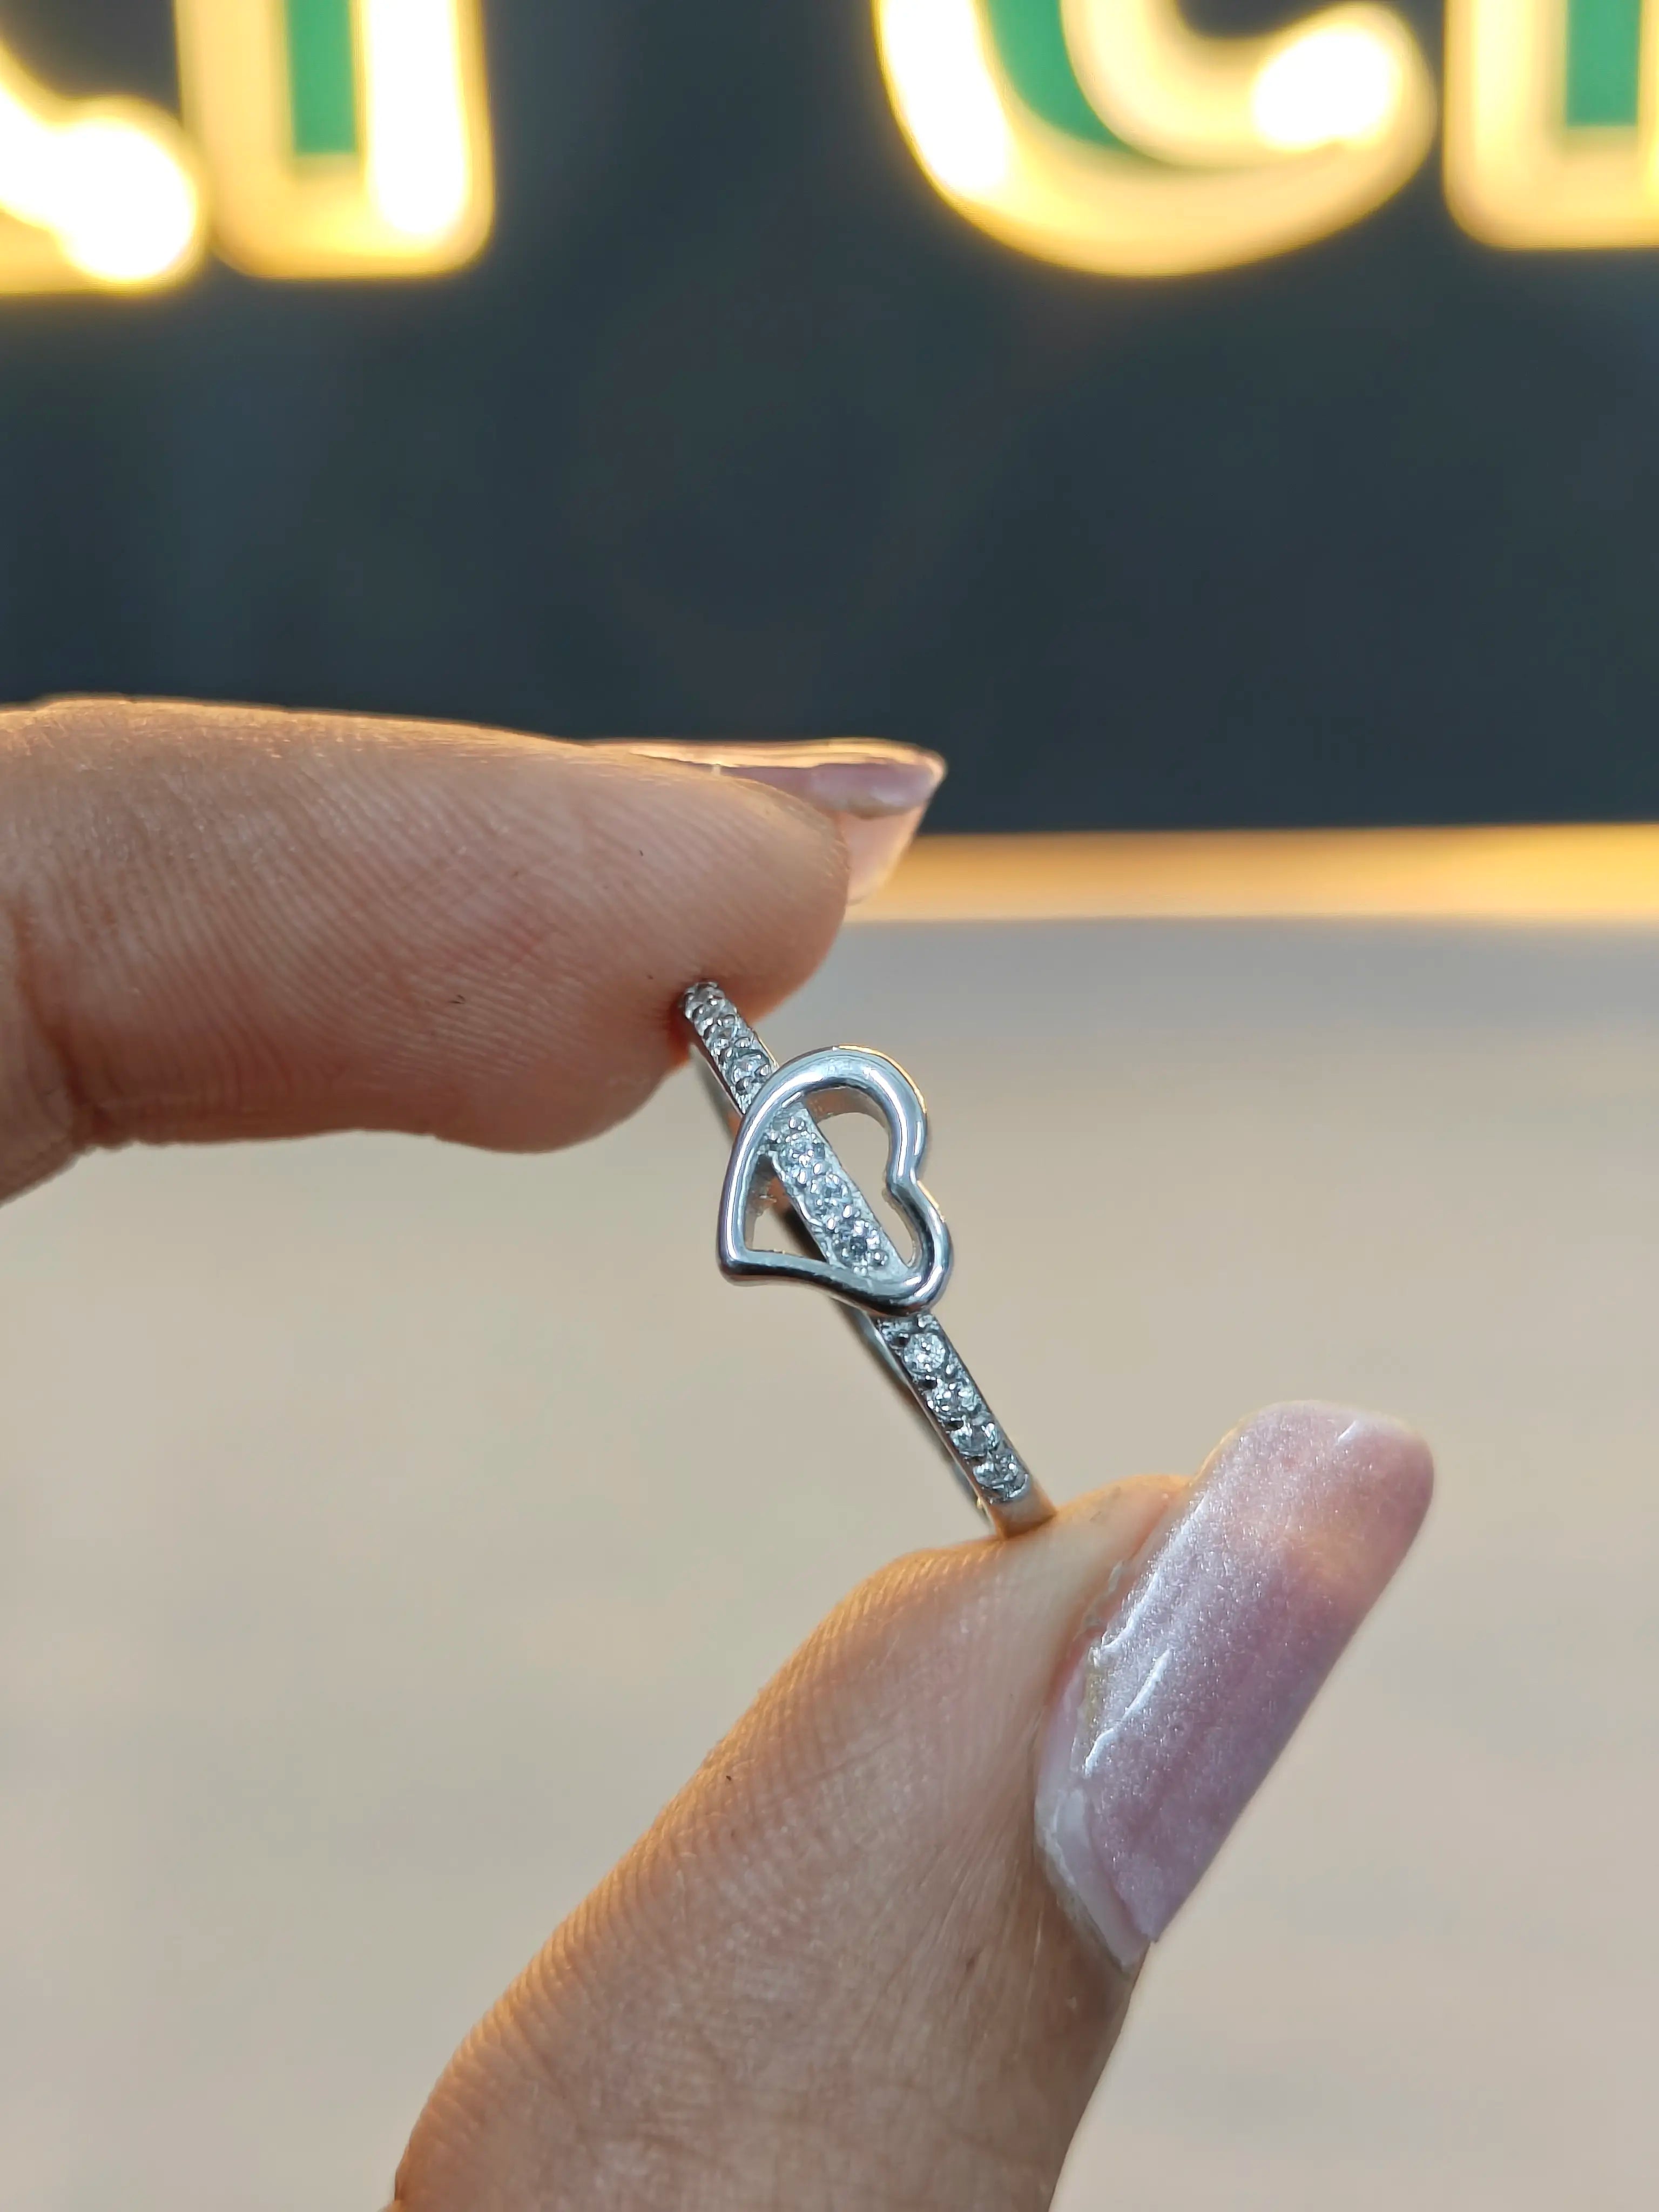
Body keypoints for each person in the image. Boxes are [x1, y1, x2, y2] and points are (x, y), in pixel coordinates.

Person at [0, 698, 1432, 2210]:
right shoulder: (797, 1172)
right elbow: (797, 1226)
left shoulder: (818, 1174)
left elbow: (829, 1208)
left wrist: (863, 1234)